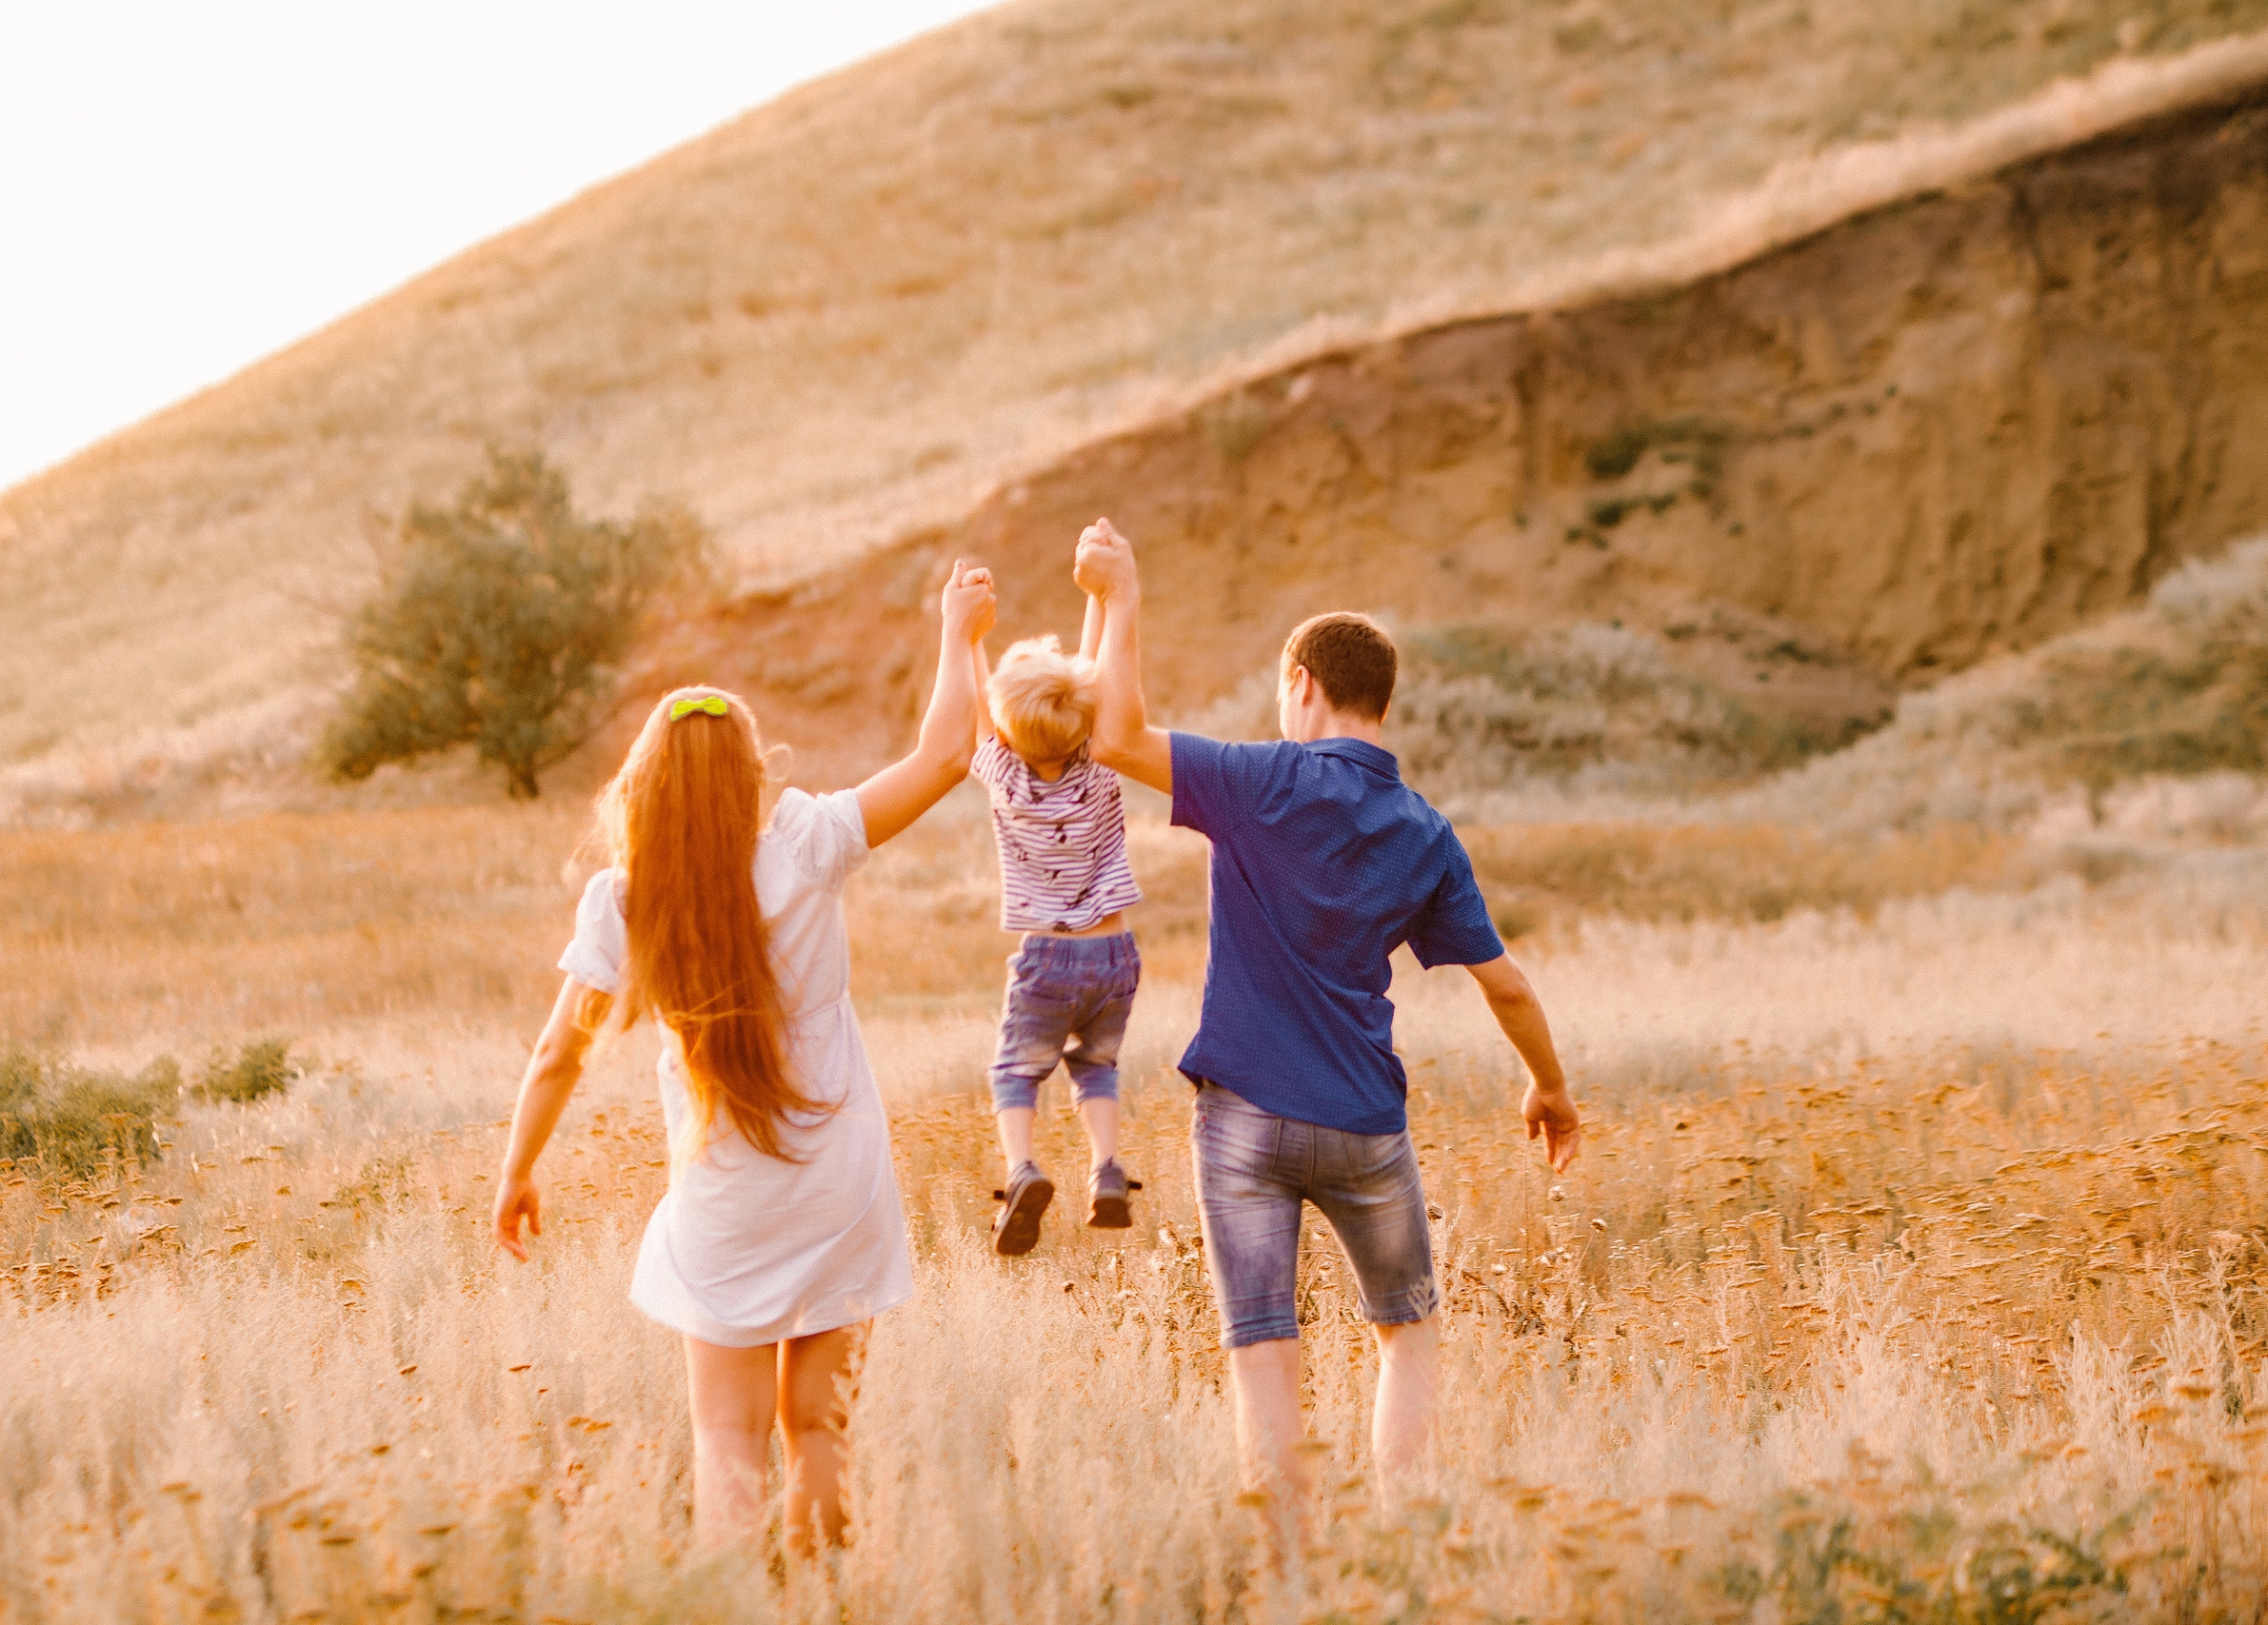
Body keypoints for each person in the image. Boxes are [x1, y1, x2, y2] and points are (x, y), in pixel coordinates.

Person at [1069, 519, 1582, 1535]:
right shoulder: (1425, 831)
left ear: (1299, 682)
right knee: (1408, 1336)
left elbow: (1115, 736)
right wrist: (1549, 1086)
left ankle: (1289, 1575)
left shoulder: (1257, 779)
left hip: (1243, 1123)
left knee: (1265, 1357)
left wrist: (1120, 598)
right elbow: (1509, 986)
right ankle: (1400, 1548)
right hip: (1364, 1129)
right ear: (1380, 702)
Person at [492, 560, 999, 1556]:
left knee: (726, 1438)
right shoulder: (806, 844)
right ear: (752, 776)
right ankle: (821, 1602)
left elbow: (557, 1054)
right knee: (818, 1430)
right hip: (836, 1183)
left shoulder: (625, 902)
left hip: (724, 1200)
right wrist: (959, 631)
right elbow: (947, 755)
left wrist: (516, 1170)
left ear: (644, 786)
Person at [966, 599, 1146, 1256]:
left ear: (1006, 729)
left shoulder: (1004, 774)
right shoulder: (1101, 762)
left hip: (1049, 955)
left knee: (1014, 1072)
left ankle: (1022, 1169)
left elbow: (980, 706)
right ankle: (1106, 1169)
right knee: (1095, 1064)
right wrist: (1098, 598)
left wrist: (972, 637)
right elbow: (1091, 674)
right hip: (1115, 952)